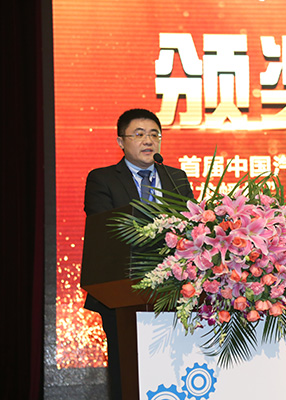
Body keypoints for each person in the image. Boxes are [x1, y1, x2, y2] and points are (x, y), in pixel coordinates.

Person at [83, 108, 194, 399]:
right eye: (139, 134)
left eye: (155, 134)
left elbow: (193, 226)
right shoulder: (102, 179)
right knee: (128, 373)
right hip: (121, 290)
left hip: (173, 291)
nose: (148, 141)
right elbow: (106, 228)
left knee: (172, 370)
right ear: (121, 141)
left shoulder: (176, 178)